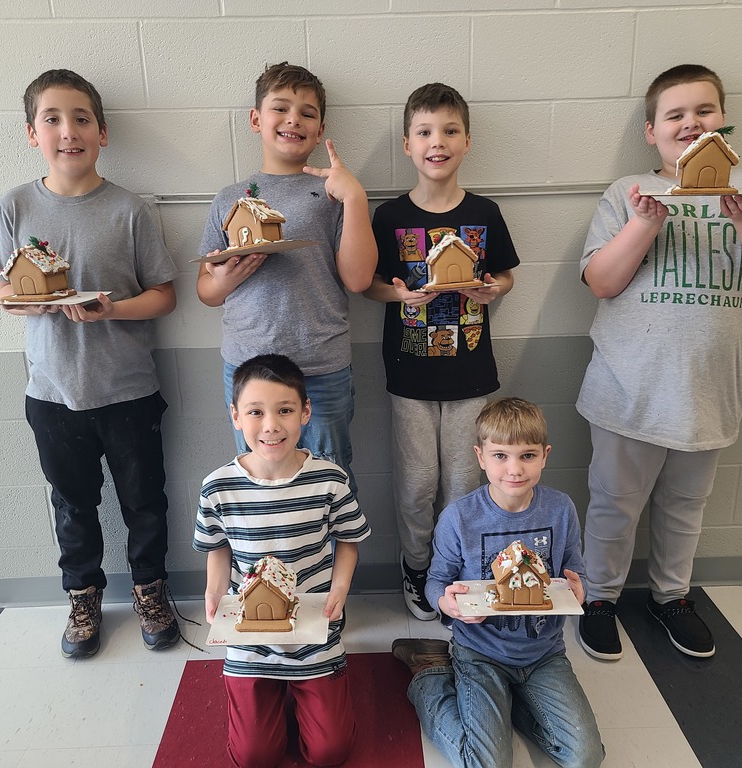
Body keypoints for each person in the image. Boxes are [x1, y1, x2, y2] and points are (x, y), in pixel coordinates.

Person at [576, 64, 742, 661]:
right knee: (613, 501)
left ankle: (670, 595)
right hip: (628, 389)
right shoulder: (628, 192)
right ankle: (599, 596)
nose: (690, 123)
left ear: (723, 124)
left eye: (703, 111)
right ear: (651, 130)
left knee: (685, 504)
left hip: (710, 390)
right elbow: (600, 281)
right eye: (675, 115)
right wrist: (643, 227)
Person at [0, 69, 180, 658]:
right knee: (72, 503)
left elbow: (164, 296)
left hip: (128, 390)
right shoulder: (14, 206)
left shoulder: (129, 210)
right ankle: (83, 593)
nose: (68, 131)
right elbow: (4, 294)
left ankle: (151, 589)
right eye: (52, 119)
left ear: (103, 132)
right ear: (30, 133)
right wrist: (30, 301)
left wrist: (111, 309)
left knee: (145, 500)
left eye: (81, 119)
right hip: (52, 393)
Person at [364, 83, 518, 621]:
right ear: (407, 144)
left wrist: (494, 289)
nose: (438, 142)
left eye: (450, 130)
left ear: (467, 141)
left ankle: (448, 573)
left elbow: (504, 276)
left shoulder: (485, 212)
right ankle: (414, 567)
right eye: (425, 132)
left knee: (462, 485)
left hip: (472, 374)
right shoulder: (387, 218)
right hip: (409, 377)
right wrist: (401, 293)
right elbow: (369, 284)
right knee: (416, 486)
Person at [392, 398, 604, 768]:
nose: (514, 469)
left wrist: (580, 589)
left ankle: (511, 704)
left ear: (545, 455)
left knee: (585, 757)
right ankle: (429, 678)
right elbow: (436, 581)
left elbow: (575, 570)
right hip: (480, 654)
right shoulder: (459, 517)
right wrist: (446, 603)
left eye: (527, 455)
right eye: (501, 455)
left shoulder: (561, 509)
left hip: (544, 655)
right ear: (480, 456)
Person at [196, 62, 376, 490]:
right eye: (281, 108)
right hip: (248, 368)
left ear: (320, 130)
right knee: (257, 480)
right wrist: (225, 280)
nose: (294, 119)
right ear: (256, 120)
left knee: (329, 479)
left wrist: (354, 197)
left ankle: (331, 560)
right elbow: (206, 290)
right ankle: (265, 561)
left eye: (307, 113)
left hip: (321, 367)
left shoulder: (333, 193)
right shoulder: (229, 199)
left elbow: (359, 279)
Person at [194, 354, 371, 768]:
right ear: (235, 416)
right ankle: (269, 695)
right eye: (256, 412)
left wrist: (340, 590)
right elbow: (217, 547)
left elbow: (349, 540)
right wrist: (214, 590)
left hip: (313, 630)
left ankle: (314, 693)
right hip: (249, 637)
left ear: (305, 413)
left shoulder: (329, 479)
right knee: (255, 757)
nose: (271, 425)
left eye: (285, 410)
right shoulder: (217, 487)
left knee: (330, 754)